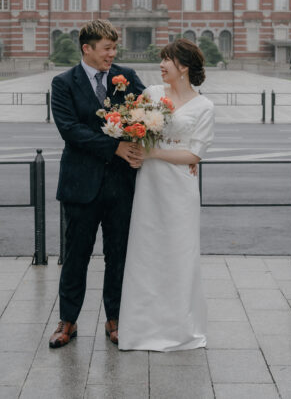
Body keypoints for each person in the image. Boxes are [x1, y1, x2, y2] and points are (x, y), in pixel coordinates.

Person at [48, 19, 146, 349]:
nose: (112, 54)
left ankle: (116, 318)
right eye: (107, 48)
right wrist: (116, 146)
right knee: (76, 255)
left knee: (118, 254)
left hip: (121, 185)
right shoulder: (63, 83)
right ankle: (68, 321)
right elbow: (70, 130)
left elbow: (145, 112)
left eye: (114, 48)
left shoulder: (127, 77)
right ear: (86, 49)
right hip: (81, 184)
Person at [119, 38, 215, 352]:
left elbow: (194, 155)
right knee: (146, 253)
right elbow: (135, 131)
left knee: (179, 254)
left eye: (166, 60)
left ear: (184, 66)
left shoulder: (204, 106)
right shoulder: (152, 94)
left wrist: (153, 154)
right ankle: (141, 329)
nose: (161, 65)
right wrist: (136, 152)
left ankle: (180, 329)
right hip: (149, 185)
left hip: (179, 188)